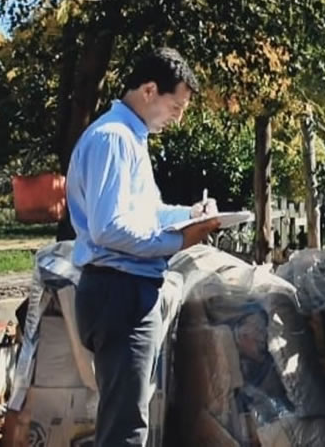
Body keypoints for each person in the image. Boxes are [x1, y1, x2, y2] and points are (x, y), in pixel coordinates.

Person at [66, 47, 220, 447]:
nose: (178, 117)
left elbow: (144, 213)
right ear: (149, 90)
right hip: (120, 290)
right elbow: (110, 229)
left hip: (124, 289)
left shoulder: (130, 138)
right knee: (126, 427)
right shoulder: (113, 138)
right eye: (176, 106)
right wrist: (180, 239)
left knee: (128, 417)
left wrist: (187, 214)